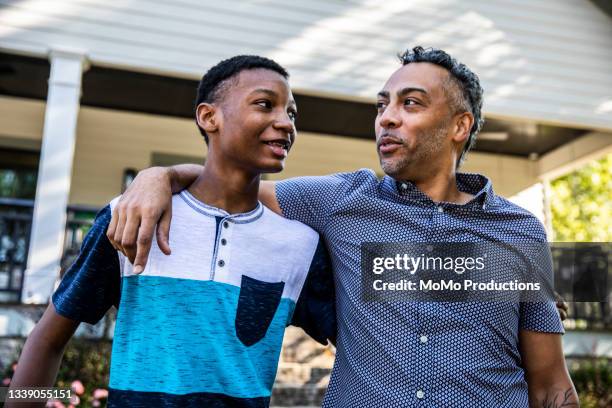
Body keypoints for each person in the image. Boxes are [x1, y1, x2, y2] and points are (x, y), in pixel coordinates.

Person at [111, 47, 578, 407]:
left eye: (410, 104)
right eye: (382, 105)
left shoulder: (518, 233)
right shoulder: (343, 201)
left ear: (460, 126)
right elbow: (232, 185)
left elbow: (550, 383)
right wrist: (159, 177)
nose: (387, 118)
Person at [8, 55, 335, 408]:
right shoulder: (130, 217)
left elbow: (365, 344)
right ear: (209, 117)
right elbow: (47, 341)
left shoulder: (299, 245)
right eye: (265, 105)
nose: (285, 123)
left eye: (291, 113)